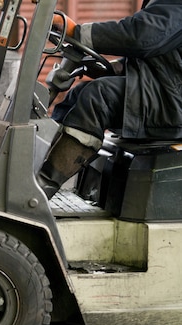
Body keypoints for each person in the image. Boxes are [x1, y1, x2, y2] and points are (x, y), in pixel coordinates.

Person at [36, 0, 182, 199]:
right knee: (78, 93)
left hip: (172, 103)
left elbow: (141, 36)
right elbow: (156, 55)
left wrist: (76, 32)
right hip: (164, 90)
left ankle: (39, 191)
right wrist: (110, 68)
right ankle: (35, 166)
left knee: (98, 97)